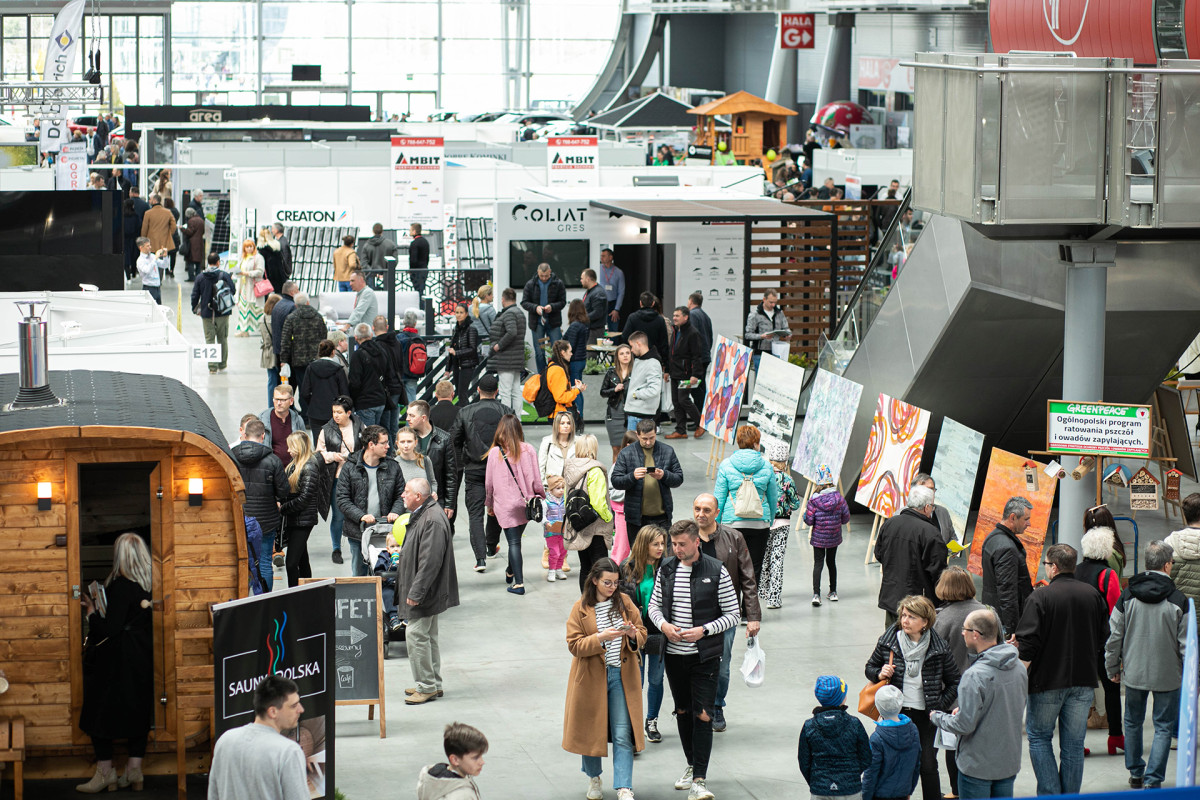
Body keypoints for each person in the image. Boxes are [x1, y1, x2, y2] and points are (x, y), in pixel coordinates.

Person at [648, 520, 741, 800]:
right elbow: (654, 606)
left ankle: (700, 779)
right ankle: (691, 765)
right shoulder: (666, 568)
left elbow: (733, 614)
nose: (676, 549)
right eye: (673, 544)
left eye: (682, 544)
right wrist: (664, 626)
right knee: (683, 711)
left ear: (696, 542)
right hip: (674, 657)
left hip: (705, 656)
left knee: (703, 714)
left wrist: (704, 630)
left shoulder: (716, 570)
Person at [1015, 543, 1109, 796]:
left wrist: (1019, 674)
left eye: (1046, 564)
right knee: (1074, 745)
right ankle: (1068, 796)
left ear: (1054, 567)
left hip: (1046, 681)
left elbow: (1028, 644)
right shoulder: (1092, 595)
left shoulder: (1040, 597)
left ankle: (1050, 794)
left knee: (1039, 737)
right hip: (1083, 679)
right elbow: (1104, 635)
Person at [1105, 540, 1189, 790]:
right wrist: (1190, 676)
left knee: (1132, 721)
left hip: (1134, 671)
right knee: (1163, 727)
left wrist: (1112, 667)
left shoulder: (1127, 596)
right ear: (1166, 566)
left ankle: (1135, 773)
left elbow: (1114, 636)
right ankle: (1154, 779)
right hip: (1168, 674)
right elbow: (1186, 644)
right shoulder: (1179, 600)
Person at [563, 557, 647, 800]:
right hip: (591, 679)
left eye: (616, 582)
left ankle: (624, 786)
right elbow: (574, 645)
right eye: (607, 582)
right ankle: (594, 778)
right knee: (591, 731)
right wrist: (600, 638)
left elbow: (642, 633)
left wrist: (632, 635)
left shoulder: (625, 602)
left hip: (621, 677)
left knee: (622, 732)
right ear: (595, 581)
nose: (612, 587)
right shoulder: (580, 608)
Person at [76, 533, 153, 793]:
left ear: (120, 556)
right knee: (138, 710)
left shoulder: (121, 586)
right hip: (141, 655)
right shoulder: (148, 585)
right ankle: (134, 771)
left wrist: (91, 613)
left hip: (117, 659)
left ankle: (105, 773)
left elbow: (110, 629)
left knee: (97, 713)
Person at [864, 595, 961, 800]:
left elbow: (955, 681)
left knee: (927, 764)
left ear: (925, 622)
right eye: (904, 615)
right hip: (895, 714)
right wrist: (879, 673)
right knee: (891, 763)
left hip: (926, 716)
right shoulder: (889, 641)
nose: (905, 621)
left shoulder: (938, 647)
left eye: (911, 617)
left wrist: (939, 705)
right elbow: (870, 667)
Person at [930, 609, 1028, 800]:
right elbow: (1010, 705)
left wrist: (938, 717)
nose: (962, 633)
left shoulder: (974, 676)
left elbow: (964, 725)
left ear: (975, 634)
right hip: (1007, 762)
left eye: (964, 629)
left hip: (977, 767)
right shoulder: (1018, 667)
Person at [690, 493, 760, 734]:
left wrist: (753, 616)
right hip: (692, 613)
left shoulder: (734, 537)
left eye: (706, 510)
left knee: (722, 663)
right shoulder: (686, 537)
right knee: (693, 662)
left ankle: (717, 706)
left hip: (724, 615)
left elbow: (748, 577)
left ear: (717, 513)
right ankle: (698, 706)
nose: (701, 514)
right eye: (697, 509)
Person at [396, 477, 459, 704]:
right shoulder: (427, 513)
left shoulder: (431, 520)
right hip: (429, 591)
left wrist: (416, 592)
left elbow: (430, 562)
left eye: (406, 491)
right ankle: (433, 682)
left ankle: (426, 686)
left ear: (418, 496)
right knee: (428, 636)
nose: (402, 495)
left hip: (426, 592)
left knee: (415, 635)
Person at [930, 567, 986, 797]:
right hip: (983, 690)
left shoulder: (942, 619)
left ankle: (956, 791)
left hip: (952, 696)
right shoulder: (986, 613)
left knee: (952, 746)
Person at [207, 675, 308, 800]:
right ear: (273, 712)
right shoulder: (288, 752)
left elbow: (213, 795)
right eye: (293, 706)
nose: (301, 709)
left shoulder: (225, 741)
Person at [451, 375, 512, 570]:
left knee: (475, 514)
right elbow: (517, 442)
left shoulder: (465, 412)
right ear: (497, 391)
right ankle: (491, 546)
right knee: (496, 509)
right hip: (500, 469)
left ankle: (480, 559)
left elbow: (454, 441)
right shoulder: (507, 412)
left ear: (478, 390)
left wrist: (463, 461)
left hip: (474, 469)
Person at [1076, 526, 1125, 755]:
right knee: (1112, 688)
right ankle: (1115, 737)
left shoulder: (1075, 571)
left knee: (1079, 694)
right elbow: (1115, 612)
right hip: (1102, 641)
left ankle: (1076, 742)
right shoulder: (1108, 575)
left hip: (1078, 640)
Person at [484, 414, 545, 596]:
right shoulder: (528, 449)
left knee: (514, 542)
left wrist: (489, 504)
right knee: (516, 541)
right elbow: (536, 478)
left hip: (505, 505)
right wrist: (540, 496)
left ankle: (519, 584)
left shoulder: (495, 452)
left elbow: (489, 483)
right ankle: (511, 570)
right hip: (526, 504)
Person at [712, 425, 779, 589]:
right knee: (754, 568)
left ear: (739, 442)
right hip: (759, 523)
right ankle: (751, 604)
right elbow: (773, 497)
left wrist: (717, 523)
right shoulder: (766, 466)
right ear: (756, 443)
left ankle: (733, 603)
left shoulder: (726, 465)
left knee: (732, 568)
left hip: (732, 523)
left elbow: (719, 497)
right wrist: (770, 520)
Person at [336, 425, 404, 576]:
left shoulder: (393, 466)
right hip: (358, 532)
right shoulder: (349, 467)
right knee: (359, 576)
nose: (388, 446)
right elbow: (342, 499)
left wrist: (395, 511)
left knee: (386, 574)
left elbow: (401, 495)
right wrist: (361, 516)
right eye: (384, 443)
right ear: (371, 445)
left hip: (386, 532)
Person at [875, 485, 946, 627]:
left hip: (891, 595)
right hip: (918, 603)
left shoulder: (890, 523)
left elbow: (879, 554)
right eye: (932, 506)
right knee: (915, 638)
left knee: (892, 637)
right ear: (926, 507)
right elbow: (938, 572)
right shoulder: (930, 532)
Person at [622, 525, 667, 744]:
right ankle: (633, 723)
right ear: (643, 545)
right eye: (655, 544)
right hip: (635, 633)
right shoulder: (627, 568)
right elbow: (621, 601)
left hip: (659, 632)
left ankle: (652, 721)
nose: (661, 548)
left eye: (662, 544)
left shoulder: (668, 567)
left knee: (656, 680)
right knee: (635, 682)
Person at [797, 675, 873, 800]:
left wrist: (817, 781)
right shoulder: (854, 724)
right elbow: (866, 757)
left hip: (820, 789)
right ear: (841, 698)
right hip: (850, 789)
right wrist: (852, 774)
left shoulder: (809, 726)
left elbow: (804, 761)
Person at [563, 434, 615, 590]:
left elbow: (567, 497)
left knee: (585, 567)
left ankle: (585, 601)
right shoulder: (595, 471)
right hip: (596, 529)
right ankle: (598, 602)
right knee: (600, 569)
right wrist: (609, 518)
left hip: (579, 525)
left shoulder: (570, 469)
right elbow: (598, 503)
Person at [612, 418, 684, 532]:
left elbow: (679, 478)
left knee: (663, 544)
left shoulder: (667, 451)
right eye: (644, 439)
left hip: (662, 517)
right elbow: (616, 481)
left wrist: (664, 475)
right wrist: (632, 476)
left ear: (656, 433)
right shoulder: (626, 453)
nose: (648, 442)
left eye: (652, 438)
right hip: (636, 518)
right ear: (637, 435)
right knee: (637, 545)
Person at [315, 396, 360, 565]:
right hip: (336, 477)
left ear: (349, 413)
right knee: (338, 516)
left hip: (356, 476)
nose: (336, 415)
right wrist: (333, 456)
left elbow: (365, 447)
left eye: (339, 412)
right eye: (334, 412)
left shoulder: (358, 426)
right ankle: (336, 548)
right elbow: (318, 453)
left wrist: (354, 457)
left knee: (357, 512)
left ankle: (358, 545)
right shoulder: (326, 430)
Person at [981, 496, 1035, 637]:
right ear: (1013, 517)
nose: (1029, 524)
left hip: (994, 614)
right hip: (1005, 622)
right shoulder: (1007, 548)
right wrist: (1013, 630)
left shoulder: (992, 537)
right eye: (1026, 519)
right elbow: (1007, 592)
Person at [759, 441, 801, 610]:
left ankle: (762, 591)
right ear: (784, 461)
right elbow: (796, 504)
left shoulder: (763, 476)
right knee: (777, 560)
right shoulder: (787, 479)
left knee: (764, 557)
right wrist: (786, 506)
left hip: (764, 522)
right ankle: (774, 598)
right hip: (782, 523)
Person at [862, 685, 921, 800]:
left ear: (878, 707)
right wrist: (909, 790)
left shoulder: (877, 738)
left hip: (880, 795)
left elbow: (871, 773)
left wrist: (865, 796)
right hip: (903, 793)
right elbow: (916, 764)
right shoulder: (913, 730)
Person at [279, 431, 322, 588]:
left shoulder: (309, 466)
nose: (288, 450)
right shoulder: (295, 464)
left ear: (299, 447)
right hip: (295, 518)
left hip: (303, 520)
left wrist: (283, 508)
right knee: (302, 560)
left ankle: (294, 594)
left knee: (291, 563)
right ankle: (307, 591)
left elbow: (304, 499)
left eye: (291, 447)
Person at [804, 463, 850, 607]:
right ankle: (833, 592)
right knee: (831, 562)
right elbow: (846, 518)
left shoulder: (814, 500)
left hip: (818, 538)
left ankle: (816, 594)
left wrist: (806, 514)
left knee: (818, 564)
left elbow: (809, 521)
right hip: (834, 537)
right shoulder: (839, 499)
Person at [407, 399, 458, 521]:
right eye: (407, 415)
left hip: (436, 497)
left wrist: (449, 504)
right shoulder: (406, 437)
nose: (407, 418)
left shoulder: (444, 439)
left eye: (412, 415)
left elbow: (451, 474)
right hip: (411, 498)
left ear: (423, 418)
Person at [279, 292, 327, 410]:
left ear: (295, 305)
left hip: (298, 361)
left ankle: (305, 414)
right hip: (316, 359)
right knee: (315, 388)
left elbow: (285, 341)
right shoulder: (318, 317)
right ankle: (315, 411)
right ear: (308, 302)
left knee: (302, 387)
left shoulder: (291, 318)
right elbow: (324, 337)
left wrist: (284, 360)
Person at [417, 723, 489, 800]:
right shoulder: (462, 796)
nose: (482, 762)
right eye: (475, 758)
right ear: (455, 760)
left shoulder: (431, 780)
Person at [191, 253, 236, 373]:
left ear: (208, 262)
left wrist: (195, 308)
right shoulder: (224, 275)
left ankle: (212, 367)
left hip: (206, 313)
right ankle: (222, 364)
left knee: (209, 339)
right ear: (218, 262)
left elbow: (195, 295)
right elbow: (233, 290)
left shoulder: (200, 277)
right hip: (223, 312)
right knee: (222, 338)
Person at [665, 306, 705, 441]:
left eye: (677, 316)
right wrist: (667, 370)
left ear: (686, 317)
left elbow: (697, 356)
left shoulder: (693, 333)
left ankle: (701, 424)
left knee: (683, 399)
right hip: (675, 372)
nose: (674, 318)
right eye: (674, 315)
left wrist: (695, 374)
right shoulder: (676, 331)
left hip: (686, 374)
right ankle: (680, 430)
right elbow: (671, 353)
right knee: (676, 402)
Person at [521, 262, 567, 374]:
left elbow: (562, 302)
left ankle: (555, 374)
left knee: (557, 351)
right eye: (542, 276)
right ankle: (542, 376)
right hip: (537, 323)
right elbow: (524, 302)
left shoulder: (558, 283)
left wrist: (552, 307)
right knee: (539, 352)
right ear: (538, 273)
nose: (544, 278)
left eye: (546, 276)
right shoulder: (530, 284)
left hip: (553, 322)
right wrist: (535, 307)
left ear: (550, 272)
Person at [347, 323, 393, 428]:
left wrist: (353, 399)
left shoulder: (358, 355)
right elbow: (389, 374)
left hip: (365, 402)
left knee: (368, 435)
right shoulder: (382, 351)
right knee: (378, 432)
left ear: (356, 337)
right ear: (371, 335)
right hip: (381, 400)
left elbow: (355, 382)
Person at [299, 340, 349, 435]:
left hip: (315, 411)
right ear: (333, 352)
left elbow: (305, 392)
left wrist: (312, 402)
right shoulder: (338, 369)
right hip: (335, 412)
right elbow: (345, 393)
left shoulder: (311, 368)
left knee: (318, 440)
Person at [490, 287, 527, 413]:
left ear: (503, 299)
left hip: (506, 359)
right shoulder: (519, 312)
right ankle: (517, 420)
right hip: (516, 358)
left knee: (505, 392)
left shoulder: (509, 313)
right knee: (516, 391)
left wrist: (498, 345)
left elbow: (512, 332)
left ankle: (506, 421)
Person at [600, 343, 634, 462]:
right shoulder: (611, 372)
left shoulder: (636, 372)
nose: (625, 356)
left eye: (627, 353)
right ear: (617, 357)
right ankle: (616, 472)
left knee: (630, 448)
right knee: (616, 448)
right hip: (614, 414)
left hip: (631, 414)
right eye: (622, 354)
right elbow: (603, 392)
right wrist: (614, 390)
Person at [623, 333, 663, 432]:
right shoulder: (640, 361)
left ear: (638, 343)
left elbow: (654, 389)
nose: (631, 350)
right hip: (636, 413)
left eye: (632, 346)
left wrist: (636, 394)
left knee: (638, 442)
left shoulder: (652, 363)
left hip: (641, 416)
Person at [259, 384, 307, 466]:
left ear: (291, 401)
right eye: (276, 399)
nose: (278, 403)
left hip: (293, 468)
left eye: (283, 400)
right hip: (272, 468)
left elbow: (304, 446)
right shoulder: (263, 420)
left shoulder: (298, 420)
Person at [268, 281, 300, 398]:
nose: (299, 292)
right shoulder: (292, 307)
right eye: (297, 290)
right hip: (288, 352)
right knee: (292, 382)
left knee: (282, 381)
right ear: (292, 292)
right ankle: (288, 405)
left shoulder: (278, 305)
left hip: (278, 350)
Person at [685, 292, 713, 415]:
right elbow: (710, 337)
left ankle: (700, 417)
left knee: (695, 388)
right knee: (701, 387)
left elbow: (692, 336)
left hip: (698, 357)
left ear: (691, 301)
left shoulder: (692, 315)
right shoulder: (706, 316)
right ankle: (703, 416)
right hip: (705, 356)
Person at [563, 299, 591, 423]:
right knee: (578, 389)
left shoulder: (574, 326)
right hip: (581, 360)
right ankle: (580, 416)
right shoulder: (584, 324)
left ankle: (577, 418)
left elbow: (570, 345)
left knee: (576, 390)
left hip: (574, 361)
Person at [744, 290, 789, 367]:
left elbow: (786, 328)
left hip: (777, 352)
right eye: (771, 302)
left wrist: (788, 334)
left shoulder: (780, 313)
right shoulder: (755, 315)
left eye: (775, 302)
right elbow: (748, 335)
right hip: (760, 354)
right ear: (764, 299)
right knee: (760, 375)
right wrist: (761, 336)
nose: (773, 305)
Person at [447, 303, 480, 405]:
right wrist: (448, 369)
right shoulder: (456, 329)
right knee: (459, 393)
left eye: (461, 312)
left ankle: (466, 413)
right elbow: (452, 349)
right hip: (457, 365)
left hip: (467, 365)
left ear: (466, 314)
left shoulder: (471, 329)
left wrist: (457, 353)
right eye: (457, 312)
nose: (458, 315)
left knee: (462, 394)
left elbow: (472, 349)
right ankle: (463, 412)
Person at [622, 292, 670, 360]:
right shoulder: (660, 319)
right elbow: (664, 342)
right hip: (655, 357)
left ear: (640, 303)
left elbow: (625, 336)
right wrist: (664, 360)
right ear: (653, 303)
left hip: (636, 356)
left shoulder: (632, 318)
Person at [234, 237, 266, 337]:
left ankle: (263, 329)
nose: (249, 248)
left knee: (257, 309)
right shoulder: (244, 258)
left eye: (251, 246)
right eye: (247, 247)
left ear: (254, 247)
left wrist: (246, 273)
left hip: (254, 287)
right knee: (243, 308)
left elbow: (260, 272)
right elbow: (240, 270)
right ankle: (244, 330)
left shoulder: (258, 257)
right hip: (244, 287)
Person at [396, 426, 438, 498]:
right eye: (402, 442)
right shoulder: (395, 464)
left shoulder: (425, 460)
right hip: (404, 504)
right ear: (397, 444)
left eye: (409, 441)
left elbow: (432, 481)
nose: (406, 445)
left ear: (415, 442)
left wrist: (433, 493)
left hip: (425, 503)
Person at [546, 339, 584, 417]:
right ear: (563, 353)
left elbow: (559, 391)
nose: (571, 354)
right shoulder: (557, 370)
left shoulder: (554, 366)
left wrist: (574, 388)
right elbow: (560, 398)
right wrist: (577, 390)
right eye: (570, 351)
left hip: (559, 414)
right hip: (560, 415)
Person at [140, 192, 177, 271]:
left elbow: (144, 229)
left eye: (150, 199)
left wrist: (143, 241)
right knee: (162, 262)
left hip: (151, 242)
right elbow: (174, 225)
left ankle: (154, 276)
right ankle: (160, 276)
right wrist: (169, 234)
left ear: (154, 201)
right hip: (164, 242)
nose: (149, 201)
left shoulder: (148, 213)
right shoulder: (167, 212)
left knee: (152, 261)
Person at [543, 475, 567, 581]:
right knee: (554, 552)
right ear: (551, 489)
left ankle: (559, 569)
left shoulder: (565, 500)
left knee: (563, 551)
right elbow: (542, 515)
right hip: (551, 532)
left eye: (563, 488)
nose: (561, 490)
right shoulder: (546, 502)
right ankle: (551, 570)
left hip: (563, 531)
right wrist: (546, 523)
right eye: (558, 488)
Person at [341, 270, 380, 335]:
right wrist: (345, 323)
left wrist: (346, 326)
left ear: (361, 280)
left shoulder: (368, 293)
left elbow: (358, 311)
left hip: (366, 335)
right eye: (350, 281)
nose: (350, 284)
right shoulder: (361, 293)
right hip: (361, 333)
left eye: (353, 281)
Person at [598, 248, 626, 331]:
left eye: (604, 256)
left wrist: (616, 309)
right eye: (601, 256)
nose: (601, 258)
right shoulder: (597, 269)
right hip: (600, 303)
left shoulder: (619, 272)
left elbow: (621, 292)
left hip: (613, 305)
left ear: (610, 257)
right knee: (600, 330)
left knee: (613, 331)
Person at [134, 237, 166, 304]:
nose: (150, 247)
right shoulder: (140, 260)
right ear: (141, 247)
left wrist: (165, 256)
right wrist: (155, 258)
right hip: (149, 288)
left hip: (157, 287)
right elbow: (147, 270)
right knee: (150, 308)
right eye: (147, 246)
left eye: (150, 245)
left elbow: (164, 265)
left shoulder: (152, 256)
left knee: (159, 308)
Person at [581, 269, 608, 342]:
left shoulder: (598, 293)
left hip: (595, 331)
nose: (581, 281)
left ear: (588, 279)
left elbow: (597, 313)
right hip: (589, 329)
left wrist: (582, 318)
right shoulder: (590, 291)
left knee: (590, 349)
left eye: (582, 278)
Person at [182, 207, 206, 281]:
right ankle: (198, 276)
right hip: (200, 242)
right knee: (198, 261)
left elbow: (190, 232)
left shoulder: (191, 221)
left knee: (190, 261)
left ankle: (191, 277)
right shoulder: (201, 220)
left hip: (192, 244)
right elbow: (203, 231)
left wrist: (182, 229)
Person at [408, 222, 430, 295]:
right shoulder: (425, 242)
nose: (409, 232)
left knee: (417, 291)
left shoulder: (414, 243)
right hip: (424, 269)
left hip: (416, 271)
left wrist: (411, 270)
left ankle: (419, 302)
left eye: (410, 230)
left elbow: (413, 259)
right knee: (421, 290)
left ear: (414, 231)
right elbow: (427, 258)